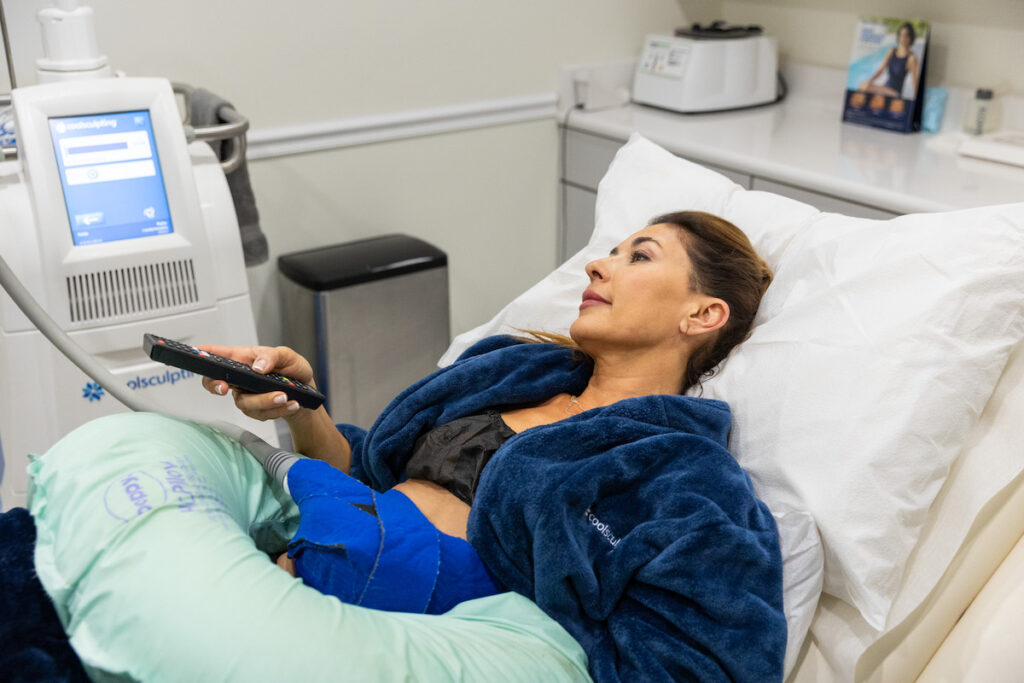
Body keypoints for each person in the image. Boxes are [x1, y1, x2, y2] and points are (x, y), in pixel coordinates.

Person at [201, 210, 787, 682]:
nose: (596, 267)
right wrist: (304, 405)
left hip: (427, 630)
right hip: (323, 537)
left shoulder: (683, 472)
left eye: (639, 256)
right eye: (611, 251)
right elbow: (365, 473)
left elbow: (708, 660)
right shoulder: (508, 371)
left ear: (703, 314)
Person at [858, 22, 920, 99]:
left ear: (911, 38)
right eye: (901, 35)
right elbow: (881, 70)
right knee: (862, 85)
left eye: (906, 36)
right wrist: (870, 81)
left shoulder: (912, 58)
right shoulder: (892, 51)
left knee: (866, 88)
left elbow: (916, 83)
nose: (903, 38)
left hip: (895, 93)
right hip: (885, 88)